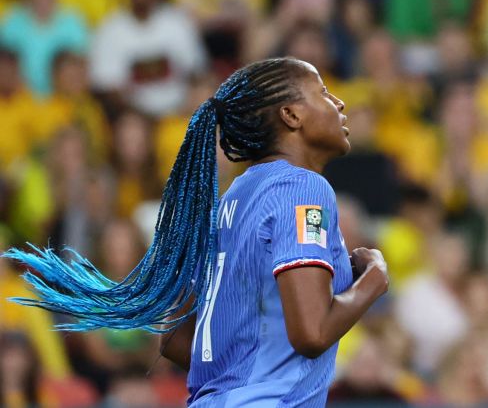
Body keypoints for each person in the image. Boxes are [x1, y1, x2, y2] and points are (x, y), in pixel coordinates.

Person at [6, 57, 390, 406]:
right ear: (290, 115)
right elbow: (312, 333)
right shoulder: (304, 189)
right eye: (322, 92)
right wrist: (374, 276)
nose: (339, 103)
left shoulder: (229, 201)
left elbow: (175, 340)